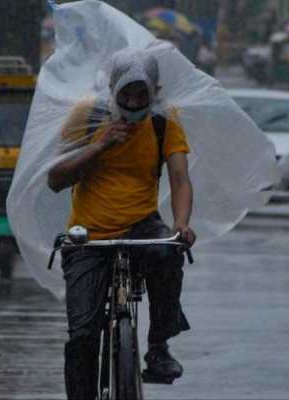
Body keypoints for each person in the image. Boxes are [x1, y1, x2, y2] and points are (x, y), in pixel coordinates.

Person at [47, 50, 196, 400]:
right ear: (112, 88)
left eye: (141, 94)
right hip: (89, 234)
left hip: (142, 225)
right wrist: (100, 144)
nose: (133, 101)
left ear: (154, 92)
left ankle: (158, 346)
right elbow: (55, 178)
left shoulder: (163, 121)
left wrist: (182, 223)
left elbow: (180, 179)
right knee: (83, 335)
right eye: (126, 92)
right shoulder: (87, 116)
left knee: (168, 251)